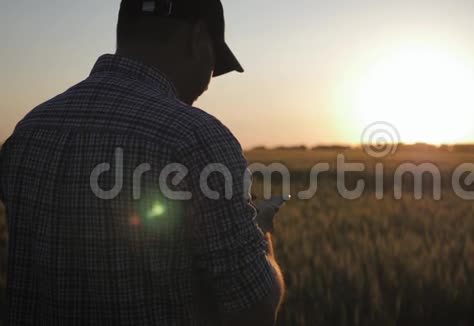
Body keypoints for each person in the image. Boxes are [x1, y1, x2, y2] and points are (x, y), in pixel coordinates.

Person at [0, 0, 285, 325]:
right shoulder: (196, 138)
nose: (209, 81)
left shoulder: (28, 131)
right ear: (197, 38)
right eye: (214, 64)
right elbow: (255, 310)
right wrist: (261, 235)